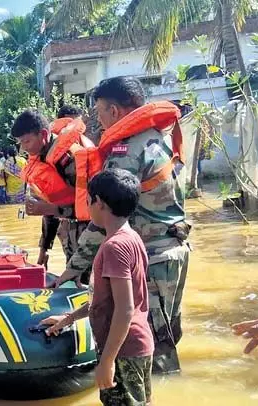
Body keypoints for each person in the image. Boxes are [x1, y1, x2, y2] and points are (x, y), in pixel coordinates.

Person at [54, 76, 190, 374]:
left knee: (151, 345)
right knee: (167, 334)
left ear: (114, 111)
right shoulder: (157, 137)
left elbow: (106, 214)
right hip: (176, 249)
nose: (98, 120)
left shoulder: (125, 151)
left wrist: (73, 267)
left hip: (153, 256)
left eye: (100, 111)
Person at [42, 168, 154, 406]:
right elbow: (106, 301)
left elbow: (125, 310)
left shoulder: (114, 247)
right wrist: (68, 318)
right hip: (137, 345)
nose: (87, 207)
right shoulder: (132, 238)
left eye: (88, 200)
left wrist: (107, 362)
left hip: (123, 351)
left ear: (99, 203)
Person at [12, 108, 92, 271]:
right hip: (71, 238)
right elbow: (51, 202)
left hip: (91, 240)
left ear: (43, 134)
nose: (23, 149)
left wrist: (52, 209)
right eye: (20, 143)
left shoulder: (70, 158)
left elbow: (95, 206)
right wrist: (44, 249)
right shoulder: (40, 156)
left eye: (26, 142)